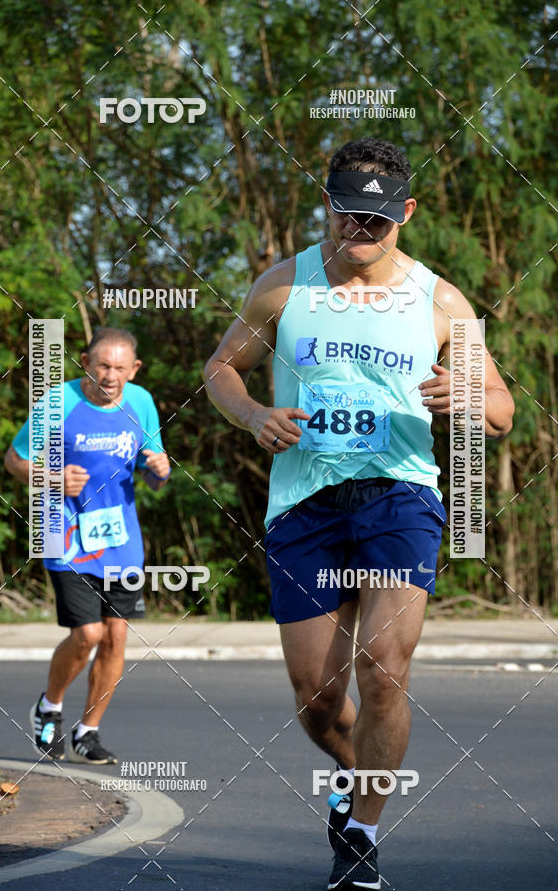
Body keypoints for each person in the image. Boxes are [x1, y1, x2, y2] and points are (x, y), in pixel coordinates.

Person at [203, 138, 514, 889]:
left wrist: (470, 398)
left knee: (384, 670)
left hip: (399, 497)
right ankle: (352, 773)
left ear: (405, 213)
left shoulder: (441, 302)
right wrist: (252, 417)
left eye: (376, 221)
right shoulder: (282, 287)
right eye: (348, 216)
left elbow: (502, 409)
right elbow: (221, 368)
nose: (360, 233)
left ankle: (364, 838)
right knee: (317, 699)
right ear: (328, 205)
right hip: (305, 504)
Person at [5, 327, 170, 765]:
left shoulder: (141, 403)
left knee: (116, 636)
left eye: (120, 368)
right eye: (102, 365)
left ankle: (88, 732)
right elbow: (14, 460)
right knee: (87, 635)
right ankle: (49, 707)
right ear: (85, 362)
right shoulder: (56, 404)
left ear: (133, 370)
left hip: (121, 540)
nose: (110, 376)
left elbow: (152, 477)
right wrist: (52, 479)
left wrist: (161, 470)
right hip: (65, 535)